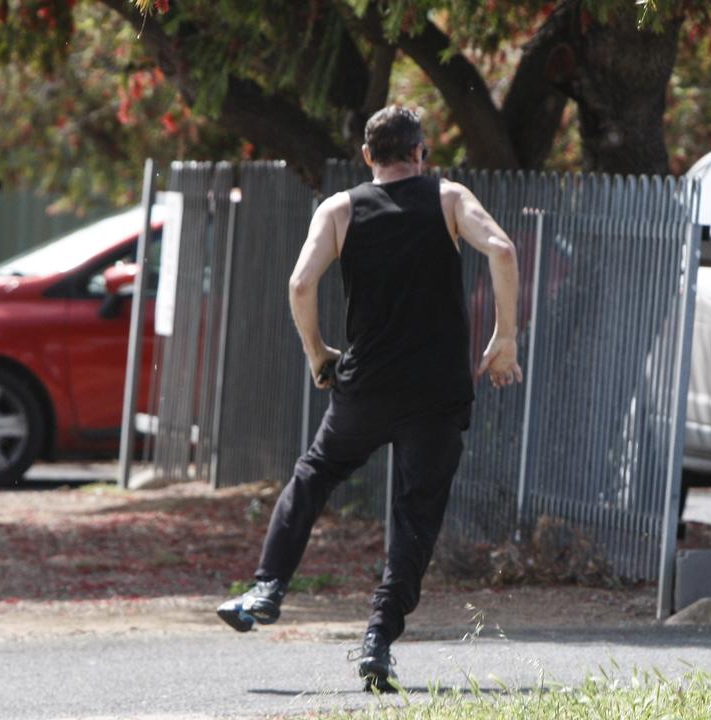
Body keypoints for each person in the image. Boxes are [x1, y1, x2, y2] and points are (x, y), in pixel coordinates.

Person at [216, 106, 523, 691]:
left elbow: (300, 284)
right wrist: (504, 338)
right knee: (415, 516)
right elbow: (502, 251)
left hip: (368, 386)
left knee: (313, 475)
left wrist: (316, 354)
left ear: (367, 157)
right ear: (422, 152)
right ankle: (377, 642)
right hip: (436, 392)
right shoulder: (449, 199)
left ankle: (267, 587)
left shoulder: (340, 209)